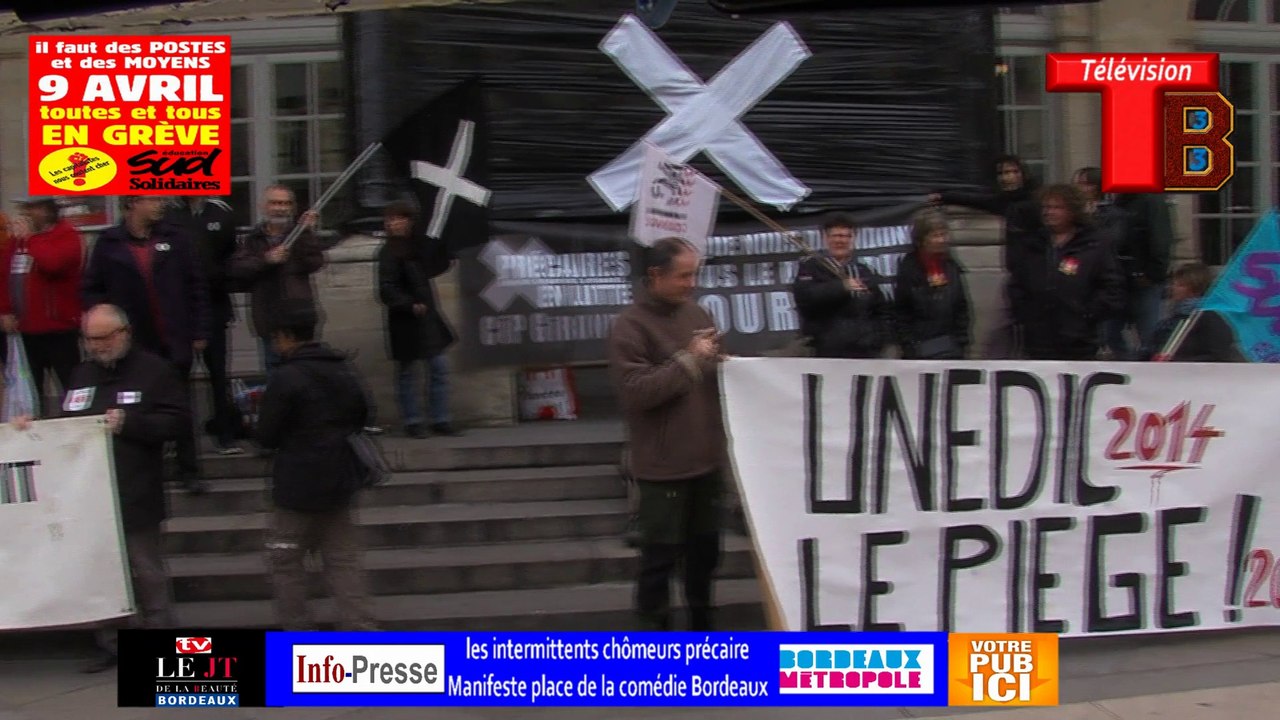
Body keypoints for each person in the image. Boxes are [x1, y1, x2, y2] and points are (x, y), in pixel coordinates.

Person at [12, 304, 188, 673]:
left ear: (124, 333)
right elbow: (67, 426)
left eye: (103, 338)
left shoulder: (154, 371)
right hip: (90, 495)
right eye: (90, 339)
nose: (96, 346)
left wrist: (131, 423)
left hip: (136, 490)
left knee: (147, 571)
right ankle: (113, 642)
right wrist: (33, 430)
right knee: (102, 570)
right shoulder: (82, 373)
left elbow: (175, 422)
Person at [607, 237, 725, 631]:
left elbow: (714, 369)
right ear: (655, 275)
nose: (692, 282)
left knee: (704, 560)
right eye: (684, 275)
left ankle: (703, 639)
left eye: (695, 274)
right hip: (664, 470)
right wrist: (690, 359)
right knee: (658, 564)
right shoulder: (630, 326)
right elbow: (637, 392)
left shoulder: (696, 312)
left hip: (707, 462)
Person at [254, 300, 378, 631]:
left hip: (297, 484)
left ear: (285, 337)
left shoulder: (286, 377)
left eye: (275, 338)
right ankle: (361, 629)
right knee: (343, 561)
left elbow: (266, 434)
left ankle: (297, 630)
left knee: (286, 559)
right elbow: (364, 415)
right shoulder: (343, 368)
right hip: (340, 477)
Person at [82, 195, 209, 493]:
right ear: (131, 205)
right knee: (134, 408)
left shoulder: (176, 238)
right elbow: (91, 289)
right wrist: (104, 323)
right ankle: (146, 473)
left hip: (173, 337)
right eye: (151, 200)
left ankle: (189, 470)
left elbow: (196, 286)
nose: (160, 204)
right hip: (132, 342)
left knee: (180, 405)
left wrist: (200, 330)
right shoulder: (109, 243)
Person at [1007, 184, 1125, 360]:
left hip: (1079, 338)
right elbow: (1017, 283)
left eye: (1056, 207)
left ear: (1072, 211)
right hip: (1038, 337)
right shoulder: (1032, 244)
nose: (1049, 212)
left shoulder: (1094, 244)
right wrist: (1026, 313)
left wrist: (1088, 314)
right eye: (1046, 207)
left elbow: (1112, 286)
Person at [165, 196, 244, 454]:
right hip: (179, 312)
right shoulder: (168, 214)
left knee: (219, 376)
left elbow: (231, 256)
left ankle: (225, 435)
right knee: (177, 380)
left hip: (214, 308)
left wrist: (219, 279)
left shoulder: (221, 213)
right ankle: (180, 442)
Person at [375, 201, 460, 438]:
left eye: (400, 219)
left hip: (427, 318)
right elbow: (386, 288)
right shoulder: (388, 252)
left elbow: (436, 261)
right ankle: (413, 420)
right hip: (406, 321)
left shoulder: (417, 247)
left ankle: (440, 418)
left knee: (439, 368)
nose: (396, 224)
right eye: (391, 219)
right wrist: (409, 304)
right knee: (407, 372)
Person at [228, 185, 323, 379]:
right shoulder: (253, 240)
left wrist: (306, 233)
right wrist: (267, 260)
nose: (280, 208)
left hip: (299, 317)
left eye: (286, 203)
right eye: (275, 203)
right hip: (268, 318)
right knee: (275, 373)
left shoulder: (300, 235)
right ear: (263, 206)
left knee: (305, 372)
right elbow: (238, 270)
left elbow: (315, 262)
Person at [0, 198, 84, 415]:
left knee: (70, 386)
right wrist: (5, 310)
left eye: (32, 208)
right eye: (25, 209)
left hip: (59, 328)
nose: (27, 214)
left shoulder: (67, 236)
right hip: (25, 330)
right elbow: (4, 274)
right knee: (29, 390)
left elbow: (52, 264)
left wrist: (32, 239)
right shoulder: (18, 241)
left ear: (47, 211)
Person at [792, 214, 892, 359]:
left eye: (847, 236)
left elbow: (881, 309)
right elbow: (805, 298)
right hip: (828, 351)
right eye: (836, 236)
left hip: (865, 350)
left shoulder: (864, 270)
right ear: (825, 238)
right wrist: (841, 287)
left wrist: (880, 339)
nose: (841, 240)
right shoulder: (810, 267)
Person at [893, 208, 972, 359]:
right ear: (922, 239)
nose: (942, 240)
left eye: (944, 234)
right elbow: (901, 311)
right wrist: (909, 344)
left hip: (951, 347)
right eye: (936, 235)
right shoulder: (909, 267)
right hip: (920, 349)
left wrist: (961, 342)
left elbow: (961, 306)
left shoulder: (950, 266)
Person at [1144, 262, 1243, 362]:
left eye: (1180, 285)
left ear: (1195, 289)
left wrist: (1177, 362)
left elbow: (1217, 354)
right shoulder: (1173, 318)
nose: (1173, 288)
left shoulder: (1210, 317)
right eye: (1173, 284)